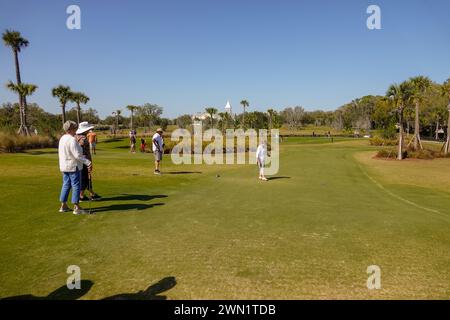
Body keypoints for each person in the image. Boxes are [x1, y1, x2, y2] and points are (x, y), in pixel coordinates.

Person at [58, 121, 92, 215]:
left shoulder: (62, 138)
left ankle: (63, 205)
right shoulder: (72, 139)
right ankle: (77, 207)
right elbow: (77, 155)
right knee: (76, 185)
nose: (76, 129)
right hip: (73, 166)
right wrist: (88, 162)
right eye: (74, 128)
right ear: (70, 129)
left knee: (66, 185)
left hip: (64, 166)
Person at [76, 122, 101, 202]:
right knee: (85, 178)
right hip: (84, 161)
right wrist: (88, 163)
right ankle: (81, 195)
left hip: (79, 161)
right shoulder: (83, 139)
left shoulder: (76, 137)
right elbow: (83, 153)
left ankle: (91, 193)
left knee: (85, 178)